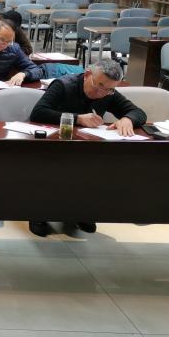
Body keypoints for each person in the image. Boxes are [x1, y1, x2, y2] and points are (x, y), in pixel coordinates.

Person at [28, 59, 147, 237]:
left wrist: (128, 119)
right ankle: (39, 214)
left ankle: (81, 210)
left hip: (85, 147)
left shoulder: (108, 92)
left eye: (109, 89)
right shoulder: (63, 85)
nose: (102, 93)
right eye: (99, 86)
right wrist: (77, 118)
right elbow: (38, 112)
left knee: (97, 168)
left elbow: (139, 113)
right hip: (54, 145)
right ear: (87, 75)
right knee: (54, 170)